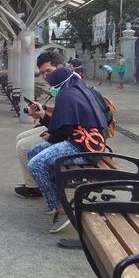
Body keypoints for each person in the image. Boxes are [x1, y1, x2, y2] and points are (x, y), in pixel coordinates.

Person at [26, 63, 107, 233]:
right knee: (33, 151)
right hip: (85, 141)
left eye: (52, 85)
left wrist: (50, 134)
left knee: (36, 164)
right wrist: (47, 124)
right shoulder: (76, 89)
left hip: (84, 147)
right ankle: (53, 197)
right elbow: (65, 127)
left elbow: (64, 130)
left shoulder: (67, 95)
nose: (52, 89)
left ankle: (61, 210)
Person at [14, 52, 65, 199]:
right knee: (21, 137)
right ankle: (36, 182)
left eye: (49, 71)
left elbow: (65, 125)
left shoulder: (68, 88)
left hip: (74, 138)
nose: (46, 76)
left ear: (60, 67)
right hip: (68, 130)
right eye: (42, 73)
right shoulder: (64, 85)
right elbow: (62, 115)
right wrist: (43, 109)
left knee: (23, 146)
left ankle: (34, 187)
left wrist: (42, 117)